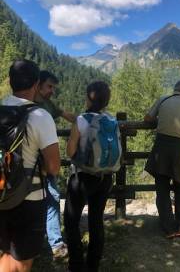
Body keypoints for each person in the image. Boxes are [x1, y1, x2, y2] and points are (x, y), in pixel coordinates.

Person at [0, 60, 60, 272]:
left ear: (10, 81)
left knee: (6, 251)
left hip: (2, 191)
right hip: (29, 198)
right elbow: (54, 167)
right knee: (20, 263)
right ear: (36, 84)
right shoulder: (40, 116)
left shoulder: (1, 109)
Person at [64, 81, 113, 272]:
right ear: (106, 102)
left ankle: (76, 265)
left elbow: (70, 151)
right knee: (96, 220)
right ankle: (93, 266)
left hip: (82, 178)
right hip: (105, 177)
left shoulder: (81, 120)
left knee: (71, 221)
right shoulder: (110, 120)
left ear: (87, 98)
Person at [144, 77, 180, 238]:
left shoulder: (162, 99)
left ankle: (168, 227)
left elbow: (147, 118)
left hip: (162, 146)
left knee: (162, 187)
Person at [35, 70, 75, 257]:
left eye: (53, 87)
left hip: (45, 162)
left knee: (52, 198)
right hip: (31, 164)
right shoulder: (31, 105)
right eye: (49, 86)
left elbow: (66, 114)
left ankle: (55, 243)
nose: (52, 91)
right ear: (38, 84)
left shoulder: (47, 104)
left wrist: (89, 119)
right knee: (45, 200)